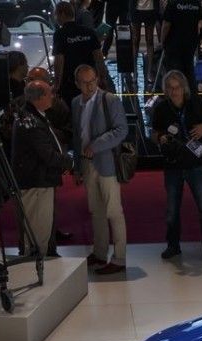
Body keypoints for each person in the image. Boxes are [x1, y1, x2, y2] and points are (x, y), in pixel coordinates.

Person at [152, 70, 202, 262]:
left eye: (177, 87)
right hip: (172, 164)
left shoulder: (196, 104)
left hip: (196, 164)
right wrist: (160, 138)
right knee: (172, 211)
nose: (174, 92)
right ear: (166, 89)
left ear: (184, 88)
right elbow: (153, 133)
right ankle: (173, 246)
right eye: (170, 88)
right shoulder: (161, 109)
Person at [72, 64, 129, 274]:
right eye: (85, 83)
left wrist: (95, 145)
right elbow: (76, 136)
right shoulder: (76, 102)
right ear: (77, 84)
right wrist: (77, 166)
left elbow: (121, 130)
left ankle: (119, 258)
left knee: (113, 211)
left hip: (107, 164)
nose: (90, 86)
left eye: (93, 81)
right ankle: (99, 252)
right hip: (87, 165)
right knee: (96, 211)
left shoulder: (110, 100)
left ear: (97, 79)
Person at [11, 80, 74, 259]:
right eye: (49, 93)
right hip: (36, 181)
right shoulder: (31, 121)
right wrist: (71, 162)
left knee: (38, 229)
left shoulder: (31, 116)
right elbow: (47, 154)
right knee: (38, 231)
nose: (53, 97)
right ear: (39, 98)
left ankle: (38, 261)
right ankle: (36, 265)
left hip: (37, 179)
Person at [52, 2, 105, 109]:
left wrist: (57, 84)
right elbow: (99, 57)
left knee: (73, 111)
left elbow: (59, 60)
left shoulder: (60, 34)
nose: (55, 19)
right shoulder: (89, 32)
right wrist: (102, 78)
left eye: (55, 15)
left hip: (70, 82)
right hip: (90, 80)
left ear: (62, 14)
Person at [161, 0, 202, 94]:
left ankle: (176, 96)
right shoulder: (196, 3)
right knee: (189, 71)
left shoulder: (173, 3)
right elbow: (201, 21)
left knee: (175, 73)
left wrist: (162, 40)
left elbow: (166, 25)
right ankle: (191, 96)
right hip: (190, 43)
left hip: (174, 43)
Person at [131, 0, 160, 84]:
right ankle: (134, 70)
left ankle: (149, 72)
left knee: (150, 40)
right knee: (135, 40)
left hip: (151, 9)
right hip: (136, 9)